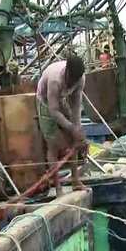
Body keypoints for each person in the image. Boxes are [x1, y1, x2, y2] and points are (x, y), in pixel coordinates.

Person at [36, 54, 87, 197]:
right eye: (71, 80)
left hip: (63, 98)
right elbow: (53, 110)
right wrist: (71, 127)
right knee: (53, 144)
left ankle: (75, 181)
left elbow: (76, 106)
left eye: (75, 81)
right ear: (67, 72)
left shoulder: (80, 79)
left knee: (73, 140)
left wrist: (76, 129)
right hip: (45, 102)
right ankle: (58, 187)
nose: (73, 83)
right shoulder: (55, 80)